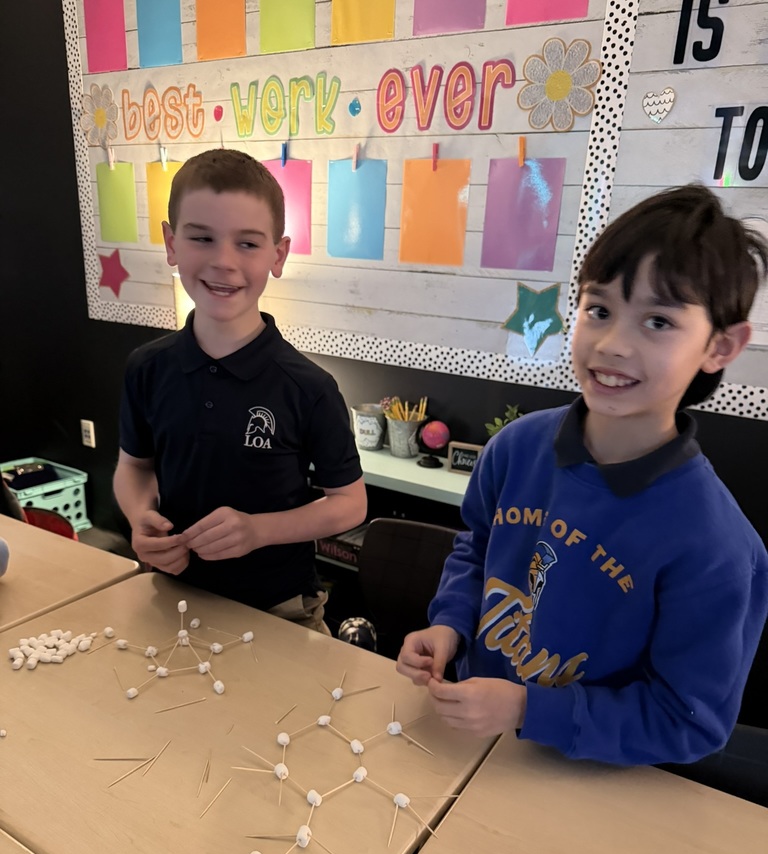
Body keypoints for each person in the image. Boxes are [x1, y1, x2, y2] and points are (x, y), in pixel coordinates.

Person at [397, 184, 768, 766]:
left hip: (584, 781)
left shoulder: (717, 546)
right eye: (599, 310)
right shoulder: (516, 448)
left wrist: (527, 710)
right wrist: (451, 626)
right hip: (465, 744)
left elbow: (687, 721)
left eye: (658, 321)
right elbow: (476, 550)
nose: (613, 344)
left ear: (720, 346)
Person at [114, 149, 366, 633]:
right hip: (173, 599)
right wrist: (139, 516)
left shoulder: (309, 387)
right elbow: (134, 466)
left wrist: (258, 530)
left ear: (278, 255)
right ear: (171, 243)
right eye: (201, 238)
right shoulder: (147, 368)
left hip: (280, 611)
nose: (223, 262)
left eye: (247, 244)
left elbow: (350, 502)